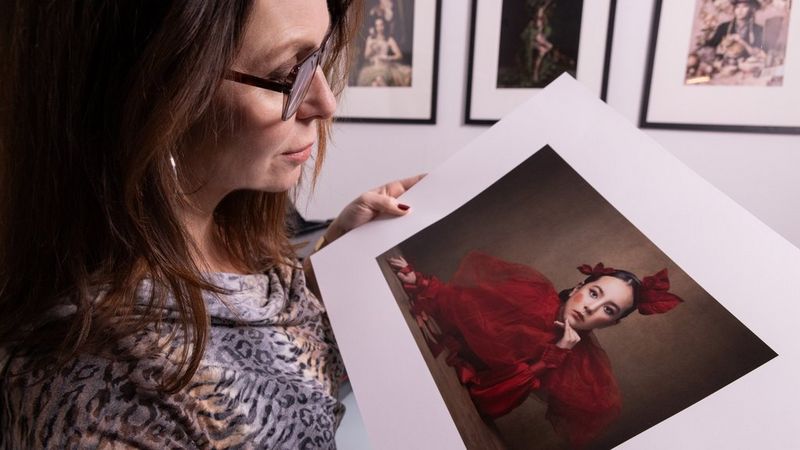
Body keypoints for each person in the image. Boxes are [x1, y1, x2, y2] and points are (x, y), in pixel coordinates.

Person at [0, 1, 422, 448]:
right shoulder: (103, 400)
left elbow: (293, 394)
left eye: (317, 58)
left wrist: (325, 273)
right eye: (286, 75)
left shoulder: (230, 232)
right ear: (156, 91)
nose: (324, 102)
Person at [389, 252, 683, 448]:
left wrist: (555, 354)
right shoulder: (530, 294)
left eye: (608, 309)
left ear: (613, 323)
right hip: (424, 358)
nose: (591, 307)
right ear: (580, 284)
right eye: (594, 293)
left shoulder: (578, 365)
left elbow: (488, 401)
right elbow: (459, 305)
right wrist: (422, 283)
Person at [357, 17, 412, 86]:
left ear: (384, 26)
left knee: (379, 80)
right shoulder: (370, 39)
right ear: (375, 27)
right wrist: (372, 47)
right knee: (374, 84)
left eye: (381, 25)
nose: (379, 28)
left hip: (386, 66)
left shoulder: (389, 39)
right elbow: (366, 56)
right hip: (373, 66)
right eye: (377, 25)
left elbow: (399, 55)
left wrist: (387, 57)